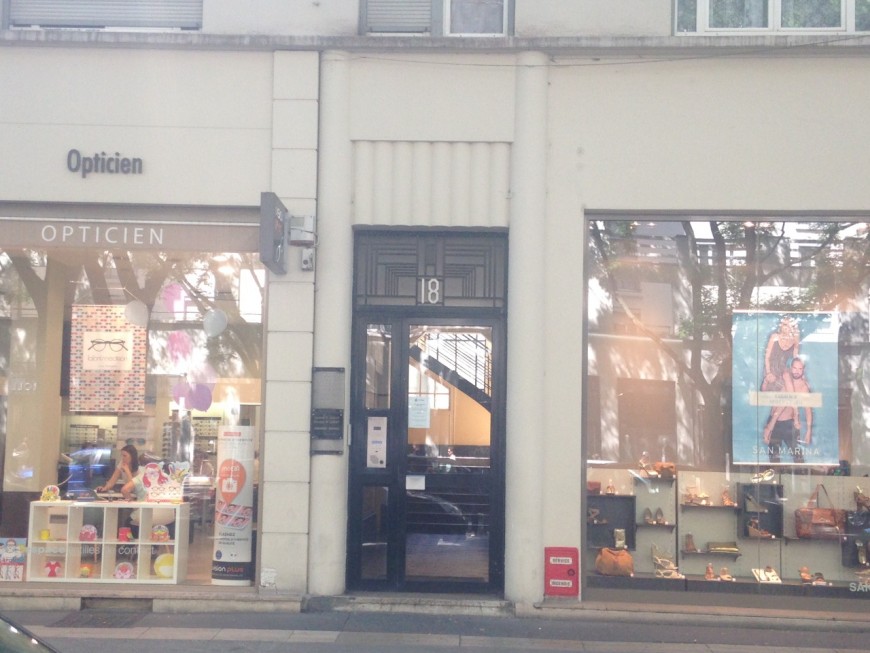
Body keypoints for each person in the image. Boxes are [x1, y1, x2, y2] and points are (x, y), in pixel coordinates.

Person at [762, 357, 812, 464]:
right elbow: (765, 393)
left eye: (800, 369)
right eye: (795, 368)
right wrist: (770, 426)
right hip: (774, 422)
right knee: (774, 459)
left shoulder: (803, 387)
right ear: (791, 368)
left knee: (798, 458)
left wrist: (808, 430)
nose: (797, 371)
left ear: (803, 370)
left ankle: (802, 475)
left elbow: (808, 410)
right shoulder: (785, 378)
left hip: (788, 424)